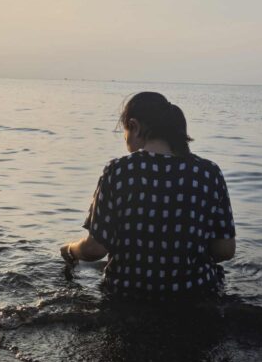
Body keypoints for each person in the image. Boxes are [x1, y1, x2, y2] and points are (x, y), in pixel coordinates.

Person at [60, 91, 235, 299]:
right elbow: (225, 250)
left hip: (127, 297)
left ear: (134, 126)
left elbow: (95, 249)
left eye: (124, 131)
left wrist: (70, 250)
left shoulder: (119, 170)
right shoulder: (209, 172)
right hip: (195, 296)